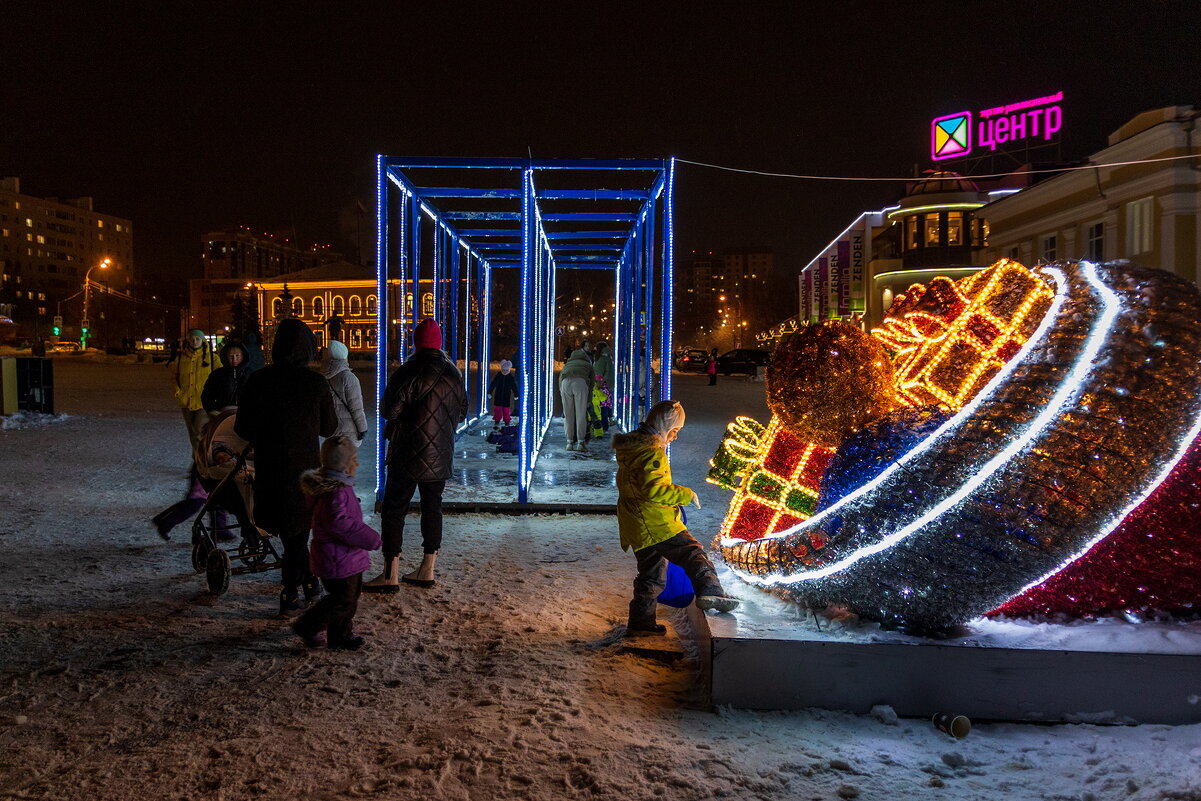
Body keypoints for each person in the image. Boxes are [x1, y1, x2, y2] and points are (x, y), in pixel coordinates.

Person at [235, 318, 337, 614]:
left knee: (289, 531)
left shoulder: (258, 380)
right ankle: (295, 588)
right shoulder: (315, 382)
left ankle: (304, 583)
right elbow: (329, 427)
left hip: (270, 467)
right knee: (298, 532)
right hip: (304, 470)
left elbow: (243, 427)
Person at [612, 400, 739, 636]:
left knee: (650, 576)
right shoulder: (652, 453)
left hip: (637, 524)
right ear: (665, 427)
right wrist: (685, 494)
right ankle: (712, 592)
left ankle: (641, 623)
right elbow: (653, 491)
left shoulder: (632, 449)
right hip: (656, 523)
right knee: (694, 553)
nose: (675, 437)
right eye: (675, 431)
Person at [366, 318, 466, 593]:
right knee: (432, 508)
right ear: (439, 344)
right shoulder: (453, 374)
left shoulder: (407, 371)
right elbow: (462, 411)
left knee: (394, 509)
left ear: (416, 343)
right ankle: (427, 568)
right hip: (440, 454)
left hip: (406, 453)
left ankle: (390, 573)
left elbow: (389, 411)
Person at [292, 435, 381, 651]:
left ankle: (340, 635)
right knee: (342, 600)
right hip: (338, 559)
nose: (357, 464)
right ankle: (308, 626)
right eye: (354, 459)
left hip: (342, 557)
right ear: (345, 466)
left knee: (347, 599)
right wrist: (371, 538)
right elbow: (342, 525)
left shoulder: (335, 488)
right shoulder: (336, 492)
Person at [171, 329, 221, 450]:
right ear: (188, 340)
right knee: (192, 434)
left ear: (202, 340)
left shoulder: (213, 358)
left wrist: (214, 394)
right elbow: (174, 377)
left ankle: (200, 462)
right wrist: (178, 391)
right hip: (186, 401)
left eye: (197, 339)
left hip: (204, 402)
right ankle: (197, 459)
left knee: (199, 432)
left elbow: (220, 377)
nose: (195, 341)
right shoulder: (181, 358)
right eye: (192, 339)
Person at [323, 339, 368, 446]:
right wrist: (362, 429)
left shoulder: (323, 377)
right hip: (348, 432)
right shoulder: (349, 378)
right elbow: (356, 407)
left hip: (332, 430)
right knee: (346, 460)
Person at [201, 340, 251, 413]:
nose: (234, 359)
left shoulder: (250, 374)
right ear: (226, 356)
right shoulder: (217, 375)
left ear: (243, 356)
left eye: (237, 356)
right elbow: (207, 395)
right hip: (222, 415)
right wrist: (212, 410)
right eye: (231, 356)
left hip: (246, 414)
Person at [559, 346, 594, 452]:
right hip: (580, 383)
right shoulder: (588, 365)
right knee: (580, 414)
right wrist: (588, 400)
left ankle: (569, 442)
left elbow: (560, 378)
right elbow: (591, 384)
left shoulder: (568, 364)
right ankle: (580, 443)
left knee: (568, 415)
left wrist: (562, 393)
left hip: (565, 383)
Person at [487, 359, 519, 430]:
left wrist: (516, 394)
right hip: (498, 396)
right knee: (497, 410)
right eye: (503, 370)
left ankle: (507, 422)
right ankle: (497, 421)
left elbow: (514, 386)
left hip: (506, 397)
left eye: (506, 370)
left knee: (506, 410)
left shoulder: (510, 377)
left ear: (509, 370)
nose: (504, 372)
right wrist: (489, 392)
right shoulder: (498, 375)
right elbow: (493, 384)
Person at [593, 342, 615, 428]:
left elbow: (598, 372)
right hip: (608, 385)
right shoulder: (608, 358)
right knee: (606, 405)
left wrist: (598, 382)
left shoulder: (600, 359)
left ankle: (602, 424)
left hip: (601, 385)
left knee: (601, 406)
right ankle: (607, 421)